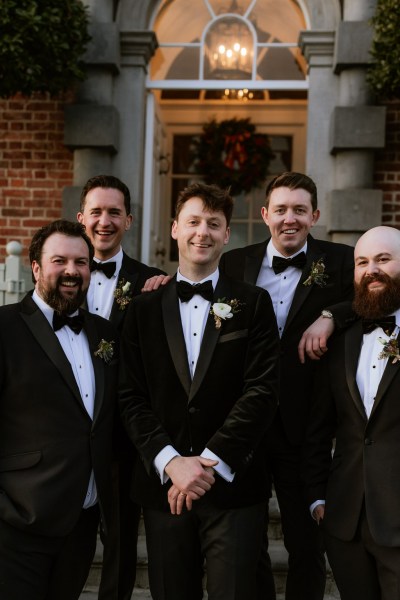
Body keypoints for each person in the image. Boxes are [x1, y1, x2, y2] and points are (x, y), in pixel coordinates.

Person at [119, 182, 280, 600]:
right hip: (163, 490)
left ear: (228, 234)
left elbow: (261, 390)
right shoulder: (142, 309)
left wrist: (208, 463)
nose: (202, 232)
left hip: (234, 485)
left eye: (214, 223)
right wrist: (172, 463)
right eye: (193, 221)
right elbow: (130, 396)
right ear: (174, 228)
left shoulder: (255, 303)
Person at [218, 171, 354, 600]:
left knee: (306, 542)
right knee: (246, 539)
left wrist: (331, 315)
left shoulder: (343, 261)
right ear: (264, 215)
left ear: (314, 215)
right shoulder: (234, 262)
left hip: (306, 425)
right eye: (280, 210)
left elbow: (373, 297)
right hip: (245, 423)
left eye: (299, 210)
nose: (289, 219)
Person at [0, 219, 118, 600]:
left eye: (81, 263)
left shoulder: (104, 334)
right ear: (36, 267)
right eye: (59, 261)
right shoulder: (4, 328)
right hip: (17, 523)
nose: (72, 271)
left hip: (81, 522)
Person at [77, 174, 165, 600]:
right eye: (96, 212)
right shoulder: (59, 275)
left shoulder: (154, 284)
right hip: (67, 434)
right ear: (81, 218)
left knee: (119, 543)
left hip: (122, 437)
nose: (105, 221)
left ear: (129, 220)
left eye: (114, 212)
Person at [303, 225, 400, 600]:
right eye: (362, 262)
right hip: (344, 523)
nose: (371, 269)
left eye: (383, 259)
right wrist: (316, 496)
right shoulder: (340, 340)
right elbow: (318, 425)